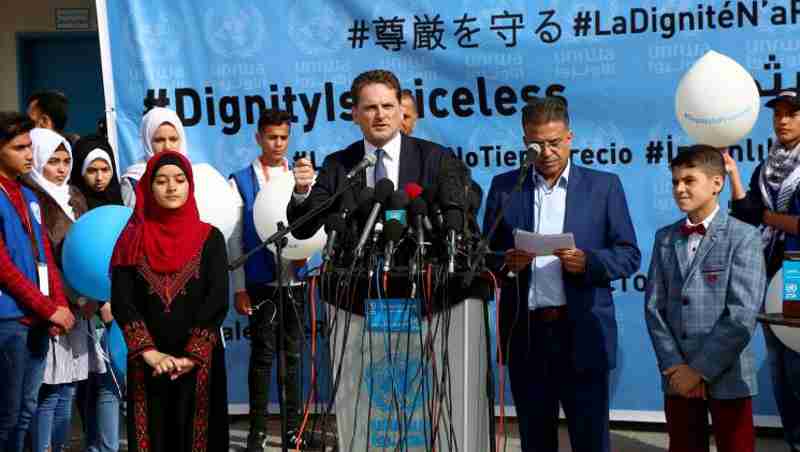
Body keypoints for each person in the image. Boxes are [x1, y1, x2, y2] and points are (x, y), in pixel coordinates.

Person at [482, 97, 640, 452]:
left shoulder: (604, 187)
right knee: (535, 441)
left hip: (583, 332)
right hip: (527, 335)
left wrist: (589, 263)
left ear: (570, 137)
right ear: (525, 143)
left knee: (590, 440)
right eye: (537, 144)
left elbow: (629, 255)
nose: (547, 152)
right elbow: (482, 256)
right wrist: (506, 262)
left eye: (555, 142)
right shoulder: (506, 187)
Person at [646, 146, 764, 452]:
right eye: (674, 182)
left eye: (689, 180)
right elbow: (654, 308)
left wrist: (698, 371)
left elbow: (742, 314)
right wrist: (675, 366)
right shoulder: (665, 237)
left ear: (717, 183)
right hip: (678, 378)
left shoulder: (744, 236)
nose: (679, 188)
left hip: (729, 375)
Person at [110, 150, 229, 452]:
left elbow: (217, 300)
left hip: (199, 362)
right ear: (148, 188)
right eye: (161, 181)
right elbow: (123, 301)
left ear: (190, 185)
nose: (171, 187)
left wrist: (192, 356)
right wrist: (149, 353)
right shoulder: (131, 239)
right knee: (154, 436)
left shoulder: (209, 238)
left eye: (179, 179)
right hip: (148, 364)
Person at [229, 109, 320, 451]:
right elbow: (235, 238)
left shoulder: (300, 178)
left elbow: (315, 225)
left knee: (293, 357)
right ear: (258, 137)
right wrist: (239, 286)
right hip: (259, 284)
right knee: (263, 356)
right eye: (271, 137)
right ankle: (257, 432)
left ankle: (293, 431)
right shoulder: (241, 180)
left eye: (283, 137)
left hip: (294, 282)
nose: (278, 143)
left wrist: (308, 255)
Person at [288, 69, 450, 239]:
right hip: (354, 263)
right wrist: (301, 192)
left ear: (401, 112)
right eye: (371, 108)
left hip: (416, 261)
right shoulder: (338, 165)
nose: (380, 115)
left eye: (387, 106)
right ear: (355, 115)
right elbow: (303, 230)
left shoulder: (434, 157)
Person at [726, 87, 800, 451]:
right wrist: (733, 175)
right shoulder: (767, 166)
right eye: (777, 114)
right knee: (779, 366)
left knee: (797, 365)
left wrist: (765, 216)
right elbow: (745, 213)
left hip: (796, 276)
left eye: (792, 113)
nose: (783, 120)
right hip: (768, 274)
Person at [0, 113, 74, 452]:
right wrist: (48, 308)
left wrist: (58, 305)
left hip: (37, 318)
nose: (29, 154)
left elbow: (44, 254)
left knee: (26, 412)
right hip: (9, 319)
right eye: (19, 147)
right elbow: (4, 267)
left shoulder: (29, 195)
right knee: (7, 415)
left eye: (30, 146)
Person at [24, 128, 95, 452]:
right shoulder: (33, 198)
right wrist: (65, 299)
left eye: (66, 160)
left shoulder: (75, 195)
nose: (62, 168)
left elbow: (90, 248)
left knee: (69, 387)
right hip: (54, 304)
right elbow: (46, 255)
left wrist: (91, 295)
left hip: (82, 305)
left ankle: (61, 446)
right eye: (53, 161)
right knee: (49, 390)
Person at [70, 134, 123, 452]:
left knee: (109, 385)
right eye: (92, 170)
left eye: (105, 169)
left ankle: (105, 447)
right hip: (85, 310)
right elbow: (79, 261)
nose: (100, 177)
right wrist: (98, 300)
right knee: (84, 389)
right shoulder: (74, 207)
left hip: (117, 312)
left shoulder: (119, 206)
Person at [120, 107, 188, 208]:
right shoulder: (134, 179)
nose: (167, 147)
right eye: (159, 140)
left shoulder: (197, 175)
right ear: (147, 141)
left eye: (173, 139)